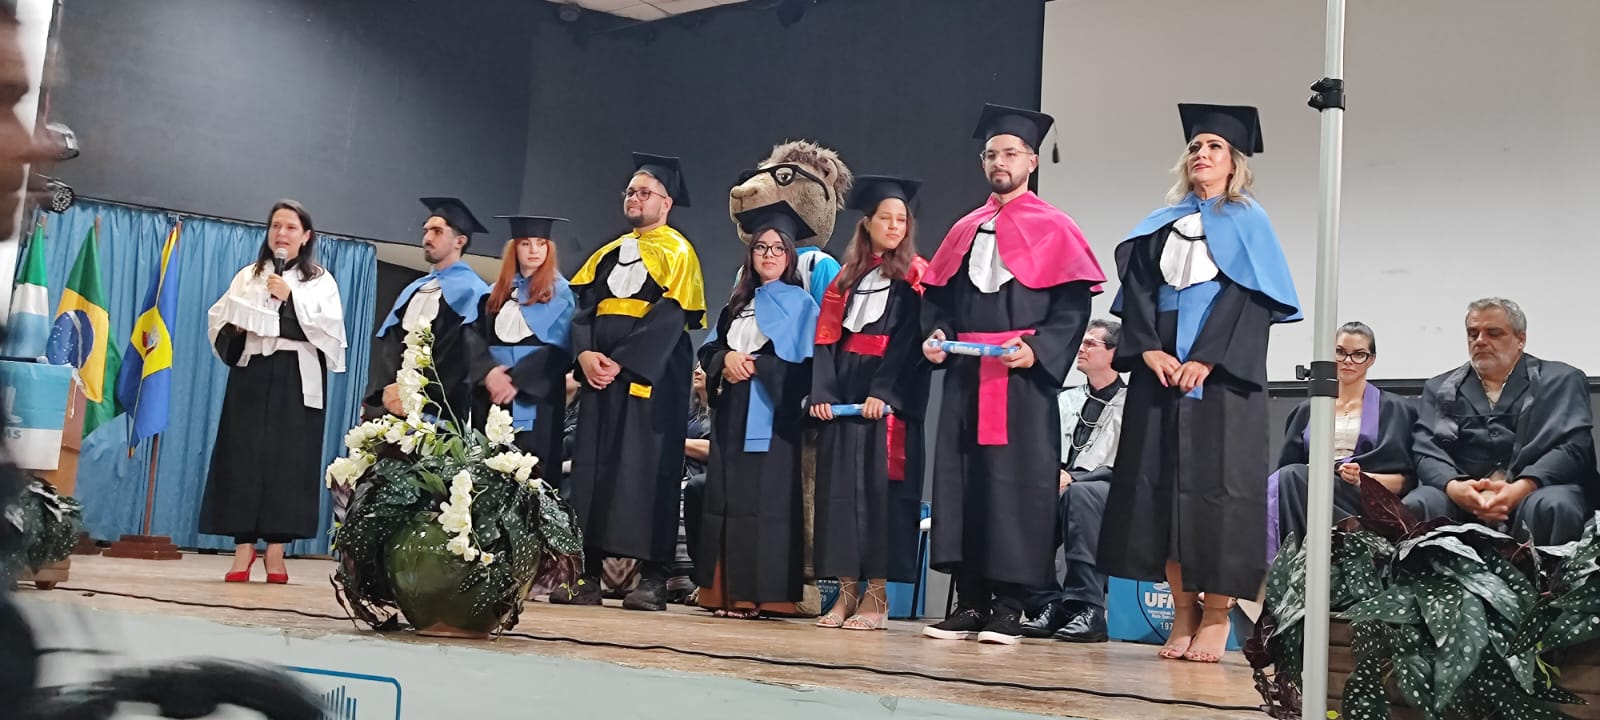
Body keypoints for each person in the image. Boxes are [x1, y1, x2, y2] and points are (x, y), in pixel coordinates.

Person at [1097, 103, 1302, 664]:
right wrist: (1149, 350)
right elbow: (1139, 293)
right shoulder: (1160, 225)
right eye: (1195, 147)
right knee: (1160, 494)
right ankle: (1182, 612)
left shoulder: (1250, 222)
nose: (1202, 155)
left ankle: (1216, 615)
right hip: (1160, 375)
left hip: (1223, 383)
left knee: (1220, 498)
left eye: (1214, 147)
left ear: (1235, 162)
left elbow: (1248, 299)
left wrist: (1207, 359)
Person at [919, 104, 1104, 645]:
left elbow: (1072, 308)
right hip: (966, 376)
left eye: (1010, 154)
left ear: (1031, 162)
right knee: (964, 484)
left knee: (1013, 489)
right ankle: (970, 603)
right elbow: (938, 302)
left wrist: (1037, 350)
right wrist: (935, 336)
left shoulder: (1056, 228)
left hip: (1020, 379)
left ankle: (1009, 607)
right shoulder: (964, 229)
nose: (999, 162)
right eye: (991, 155)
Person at [562, 153, 707, 611]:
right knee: (593, 471)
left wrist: (621, 364)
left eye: (644, 192)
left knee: (648, 473)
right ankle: (587, 573)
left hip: (651, 379)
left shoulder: (679, 253)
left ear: (666, 203)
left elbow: (670, 318)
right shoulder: (606, 254)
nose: (635, 198)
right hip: (600, 380)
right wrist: (585, 355)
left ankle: (654, 578)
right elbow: (583, 310)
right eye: (630, 192)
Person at [201, 199, 347, 584]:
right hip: (253, 373)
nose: (281, 234)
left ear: (306, 236)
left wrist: (290, 299)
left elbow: (330, 331)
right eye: (276, 226)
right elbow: (220, 323)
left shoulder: (320, 281)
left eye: (290, 227)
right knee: (242, 456)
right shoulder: (248, 276)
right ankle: (243, 548)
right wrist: (237, 324)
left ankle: (277, 551)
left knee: (288, 461)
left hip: (296, 376)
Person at [809, 175, 930, 631]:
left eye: (902, 220)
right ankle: (845, 593)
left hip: (887, 401)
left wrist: (884, 392)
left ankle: (876, 597)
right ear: (867, 223)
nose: (895, 226)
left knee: (881, 498)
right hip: (844, 397)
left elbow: (909, 342)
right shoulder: (845, 280)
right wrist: (823, 393)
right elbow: (826, 341)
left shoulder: (915, 276)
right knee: (841, 496)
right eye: (886, 218)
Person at [695, 201, 818, 619]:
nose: (769, 254)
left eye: (778, 248)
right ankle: (723, 594)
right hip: (732, 411)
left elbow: (805, 368)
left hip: (772, 417)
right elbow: (710, 348)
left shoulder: (802, 305)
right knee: (725, 499)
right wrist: (725, 359)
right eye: (761, 247)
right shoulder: (737, 303)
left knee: (763, 504)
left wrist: (759, 366)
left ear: (789, 256)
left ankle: (757, 596)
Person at [1406, 298, 1596, 545]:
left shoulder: (1560, 380)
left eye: (1493, 333)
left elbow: (1574, 447)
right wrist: (1455, 487)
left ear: (1520, 339)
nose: (1480, 341)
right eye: (1473, 334)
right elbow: (1425, 450)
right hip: (1463, 494)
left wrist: (1522, 487)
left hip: (1537, 489)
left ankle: (1547, 573)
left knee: (1555, 504)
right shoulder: (1440, 387)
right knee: (1421, 502)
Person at [1270, 322, 1417, 561]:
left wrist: (1362, 479)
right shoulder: (1307, 410)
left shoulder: (1396, 409)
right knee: (1289, 479)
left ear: (1372, 359)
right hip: (1307, 491)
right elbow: (1286, 469)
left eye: (1359, 354)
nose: (1348, 361)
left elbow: (1407, 481)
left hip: (1364, 497)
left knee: (1293, 478)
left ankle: (1296, 561)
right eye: (1340, 352)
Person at [1019, 319, 1125, 642]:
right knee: (1023, 500)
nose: (1082, 348)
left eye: (1091, 344)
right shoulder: (1066, 399)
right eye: (1082, 342)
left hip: (1108, 486)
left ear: (1114, 353)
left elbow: (1129, 463)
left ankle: (1088, 609)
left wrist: (1074, 478)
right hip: (1059, 482)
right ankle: (1046, 603)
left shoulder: (1131, 402)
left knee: (1080, 497)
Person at [364, 197, 492, 425]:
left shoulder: (473, 292)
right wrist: (387, 389)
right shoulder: (414, 289)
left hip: (439, 412)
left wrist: (417, 394)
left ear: (460, 241)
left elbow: (461, 359)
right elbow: (391, 347)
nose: (427, 238)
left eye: (437, 231)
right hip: (395, 408)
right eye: (426, 231)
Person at [471, 215, 576, 469]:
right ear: (514, 249)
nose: (534, 250)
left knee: (531, 470)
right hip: (492, 395)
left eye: (541, 243)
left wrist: (515, 381)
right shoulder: (493, 293)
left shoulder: (562, 293)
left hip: (535, 396)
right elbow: (474, 340)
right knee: (488, 464)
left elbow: (561, 349)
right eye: (525, 243)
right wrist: (489, 373)